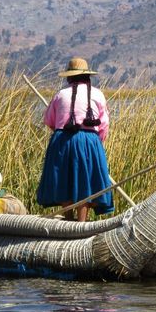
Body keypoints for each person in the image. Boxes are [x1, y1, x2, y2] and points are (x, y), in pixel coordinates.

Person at [37, 57, 114, 221]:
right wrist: (96, 145)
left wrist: (62, 135)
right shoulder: (98, 94)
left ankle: (68, 218)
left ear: (69, 77)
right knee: (85, 178)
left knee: (64, 177)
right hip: (89, 140)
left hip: (62, 140)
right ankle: (81, 222)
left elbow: (49, 121)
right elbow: (104, 124)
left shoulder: (60, 95)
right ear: (87, 76)